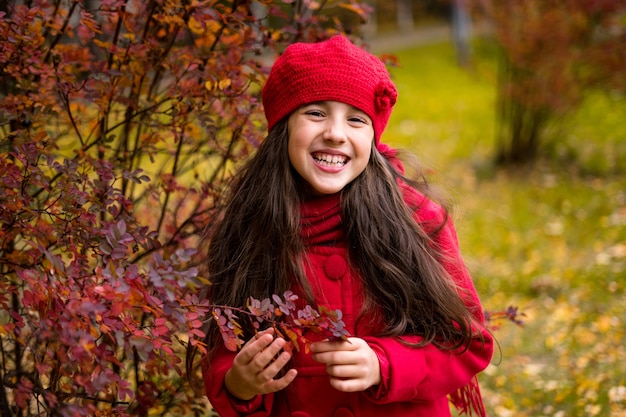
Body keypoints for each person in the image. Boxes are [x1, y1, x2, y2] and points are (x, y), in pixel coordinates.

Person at [197, 35, 494, 417]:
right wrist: (239, 383)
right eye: (316, 113)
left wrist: (383, 364)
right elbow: (224, 345)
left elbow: (465, 342)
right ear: (283, 127)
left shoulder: (414, 218)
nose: (337, 133)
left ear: (372, 136)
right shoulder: (251, 225)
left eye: (355, 119)